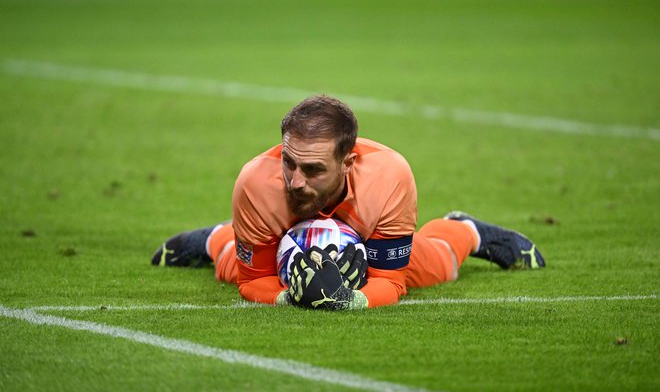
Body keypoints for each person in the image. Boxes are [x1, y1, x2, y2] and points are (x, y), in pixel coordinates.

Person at [151, 95, 545, 310]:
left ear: (348, 161)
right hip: (280, 232)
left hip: (367, 234)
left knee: (433, 267)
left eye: (313, 169)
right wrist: (290, 296)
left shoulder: (389, 176)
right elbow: (253, 282)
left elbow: (391, 282)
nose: (295, 180)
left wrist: (349, 299)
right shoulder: (256, 183)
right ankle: (216, 238)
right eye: (289, 163)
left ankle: (464, 230)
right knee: (233, 267)